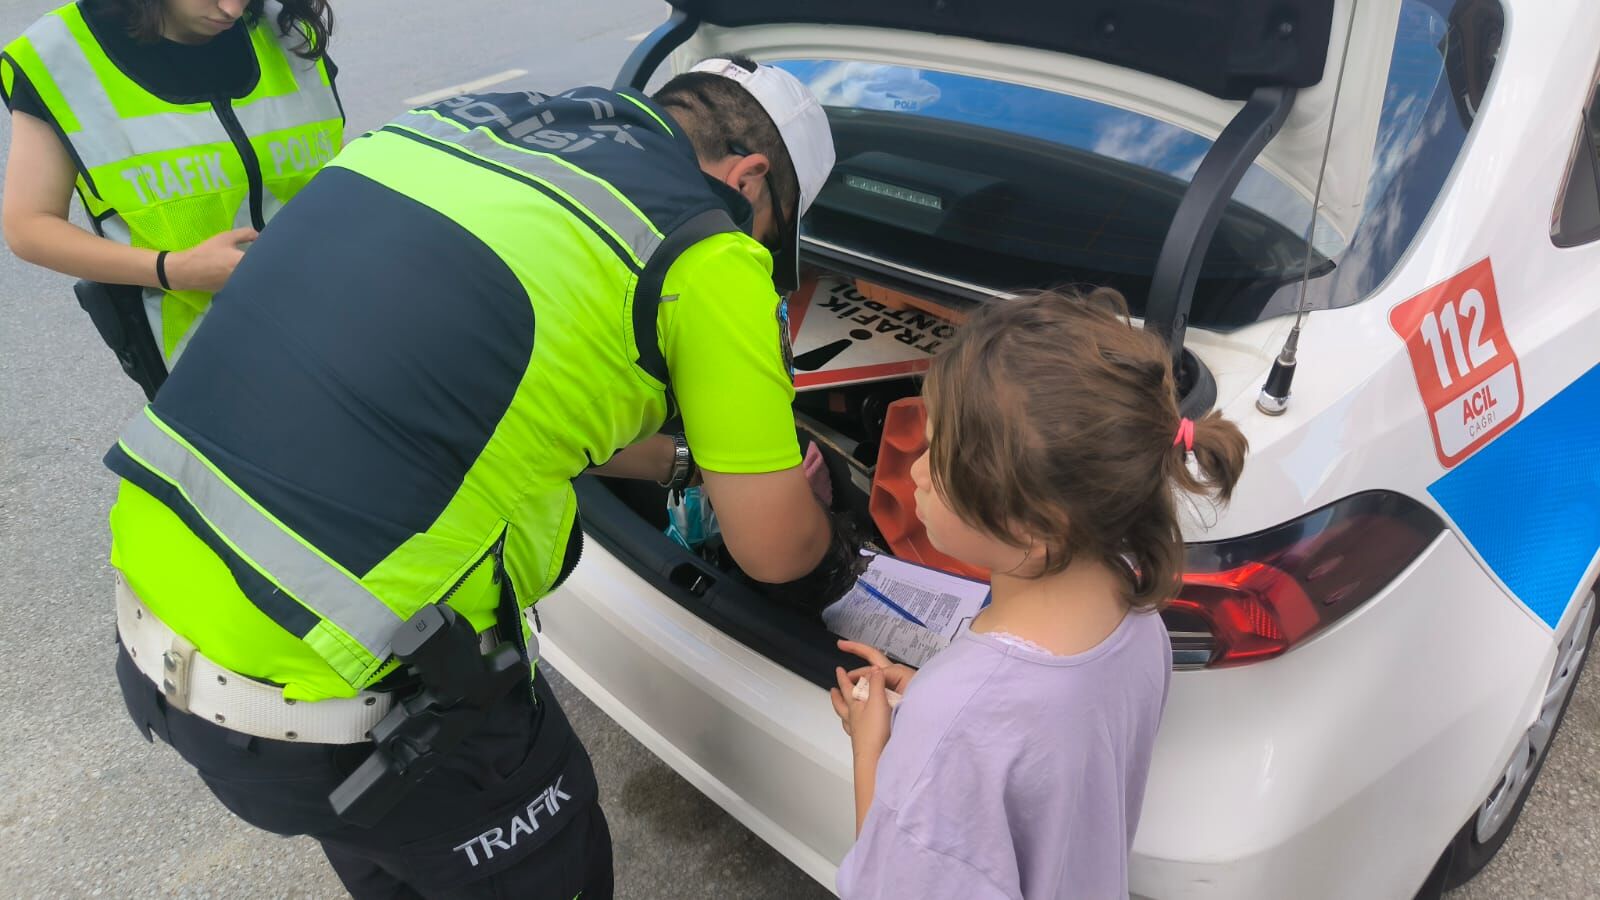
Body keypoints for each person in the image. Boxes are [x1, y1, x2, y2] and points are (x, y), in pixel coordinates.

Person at [102, 56, 848, 898]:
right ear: (750, 178)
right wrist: (825, 526)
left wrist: (688, 463)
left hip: (167, 617)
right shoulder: (705, 251)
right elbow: (778, 554)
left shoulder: (443, 132)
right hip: (348, 707)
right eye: (770, 228)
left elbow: (536, 401)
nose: (756, 247)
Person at [829, 288, 1249, 899]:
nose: (916, 470)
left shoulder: (954, 727)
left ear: (1036, 526)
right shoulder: (1135, 620)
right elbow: (1042, 758)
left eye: (941, 459)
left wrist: (878, 748)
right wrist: (935, 709)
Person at [0, 0, 342, 394]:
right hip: (208, 364)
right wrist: (173, 269)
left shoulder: (284, 28)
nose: (231, 9)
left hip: (341, 326)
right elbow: (28, 226)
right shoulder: (61, 55)